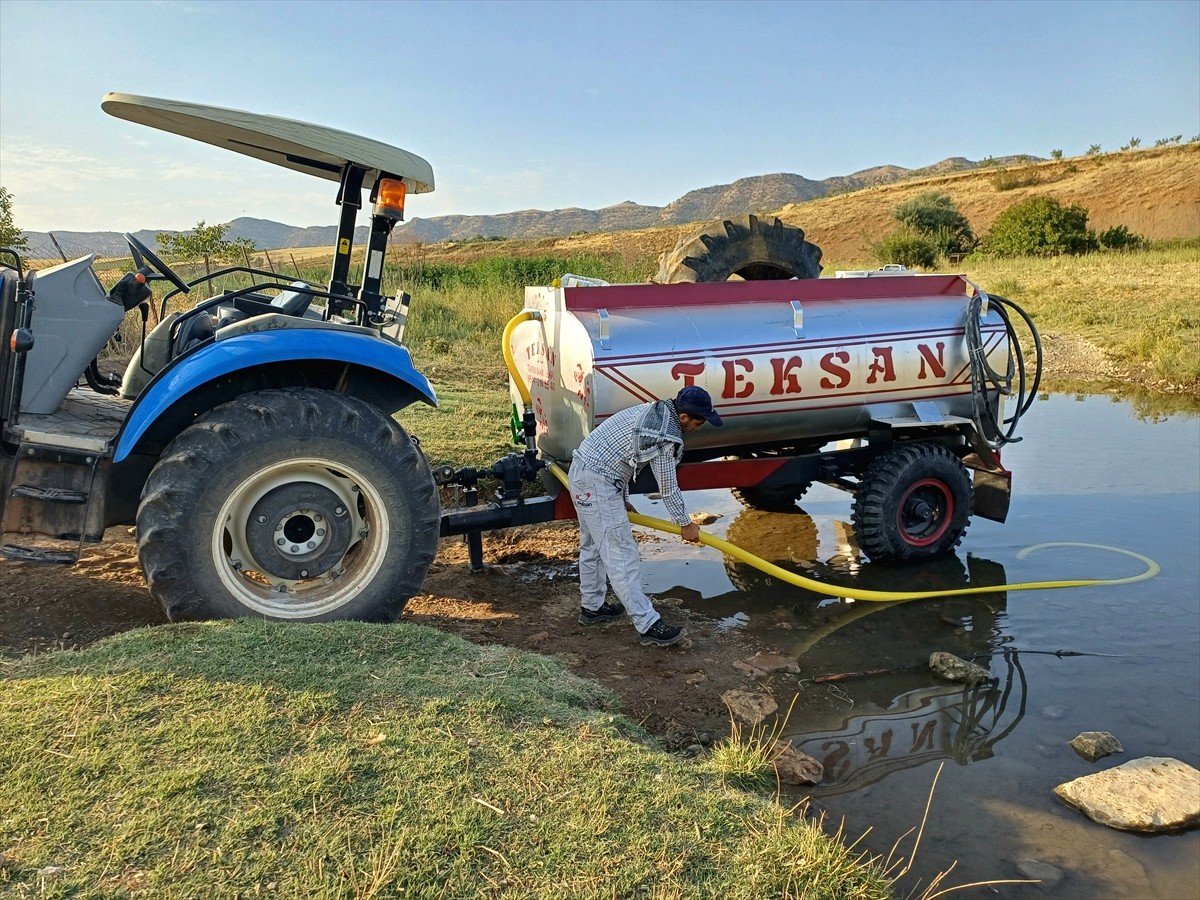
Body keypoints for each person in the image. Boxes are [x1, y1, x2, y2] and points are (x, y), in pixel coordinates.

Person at [567, 385, 723, 647]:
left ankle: (592, 607)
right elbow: (668, 487)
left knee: (593, 546)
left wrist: (623, 498)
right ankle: (648, 624)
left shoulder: (657, 410)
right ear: (684, 417)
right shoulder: (663, 435)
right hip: (596, 483)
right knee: (622, 554)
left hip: (587, 473)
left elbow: (623, 455)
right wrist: (686, 524)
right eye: (699, 422)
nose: (699, 428)